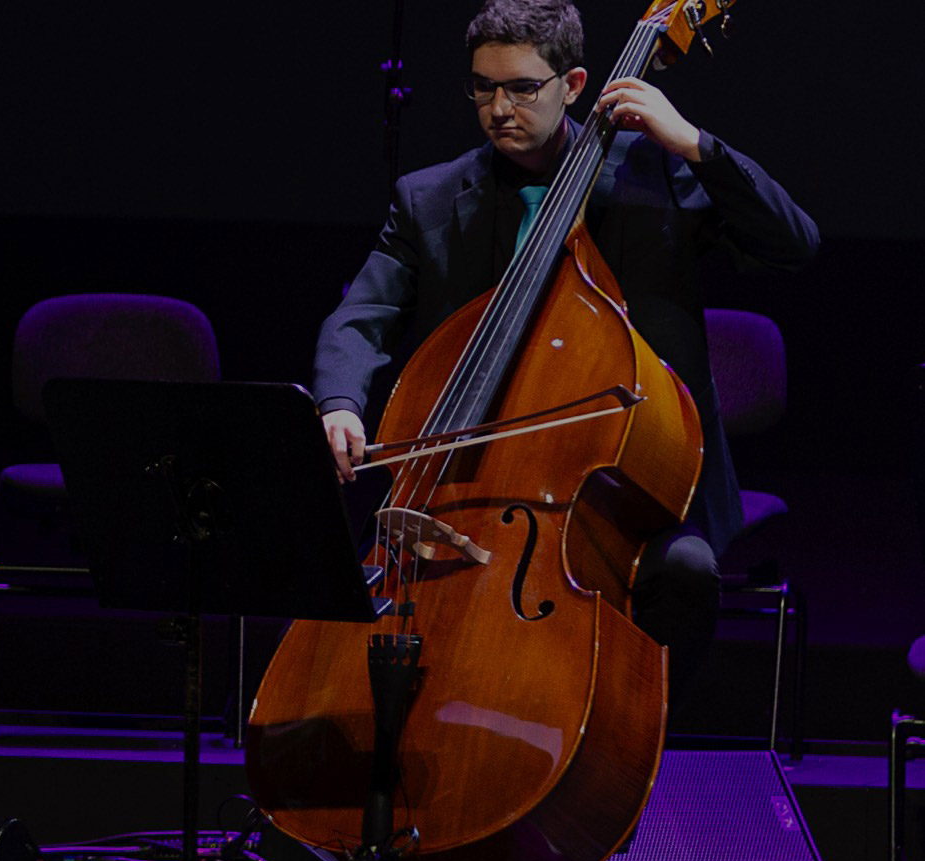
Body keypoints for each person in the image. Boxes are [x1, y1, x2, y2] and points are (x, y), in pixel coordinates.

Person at [311, 0, 818, 691]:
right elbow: (360, 315)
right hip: (472, 483)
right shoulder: (428, 198)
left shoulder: (657, 175)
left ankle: (644, 755)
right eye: (482, 87)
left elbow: (794, 245)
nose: (498, 108)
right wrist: (340, 402)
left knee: (687, 575)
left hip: (635, 486)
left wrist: (695, 144)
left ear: (574, 84)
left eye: (521, 88)